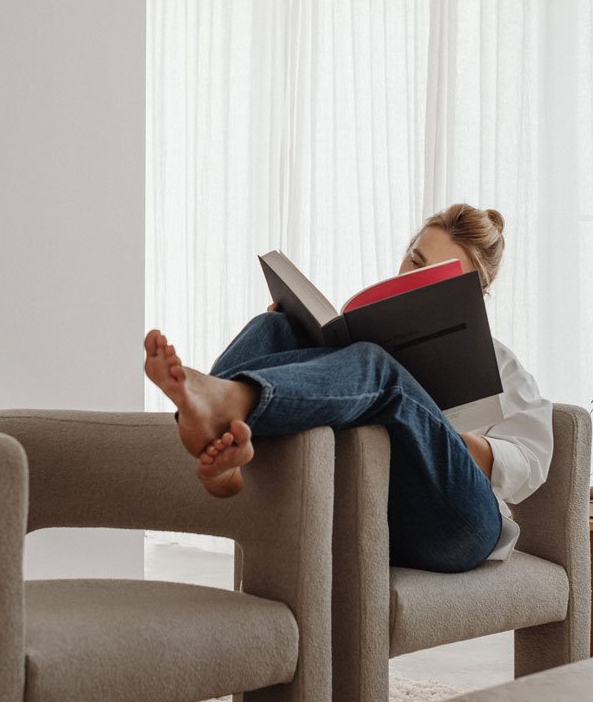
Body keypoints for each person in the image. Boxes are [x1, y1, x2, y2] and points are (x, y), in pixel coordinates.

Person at [144, 204, 552, 573]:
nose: (414, 279)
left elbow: (533, 460)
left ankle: (230, 402)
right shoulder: (359, 341)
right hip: (367, 504)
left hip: (457, 523)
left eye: (437, 279)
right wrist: (299, 342)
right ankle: (226, 457)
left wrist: (458, 442)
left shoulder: (500, 363)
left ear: (475, 295)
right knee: (278, 326)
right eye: (415, 261)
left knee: (377, 365)